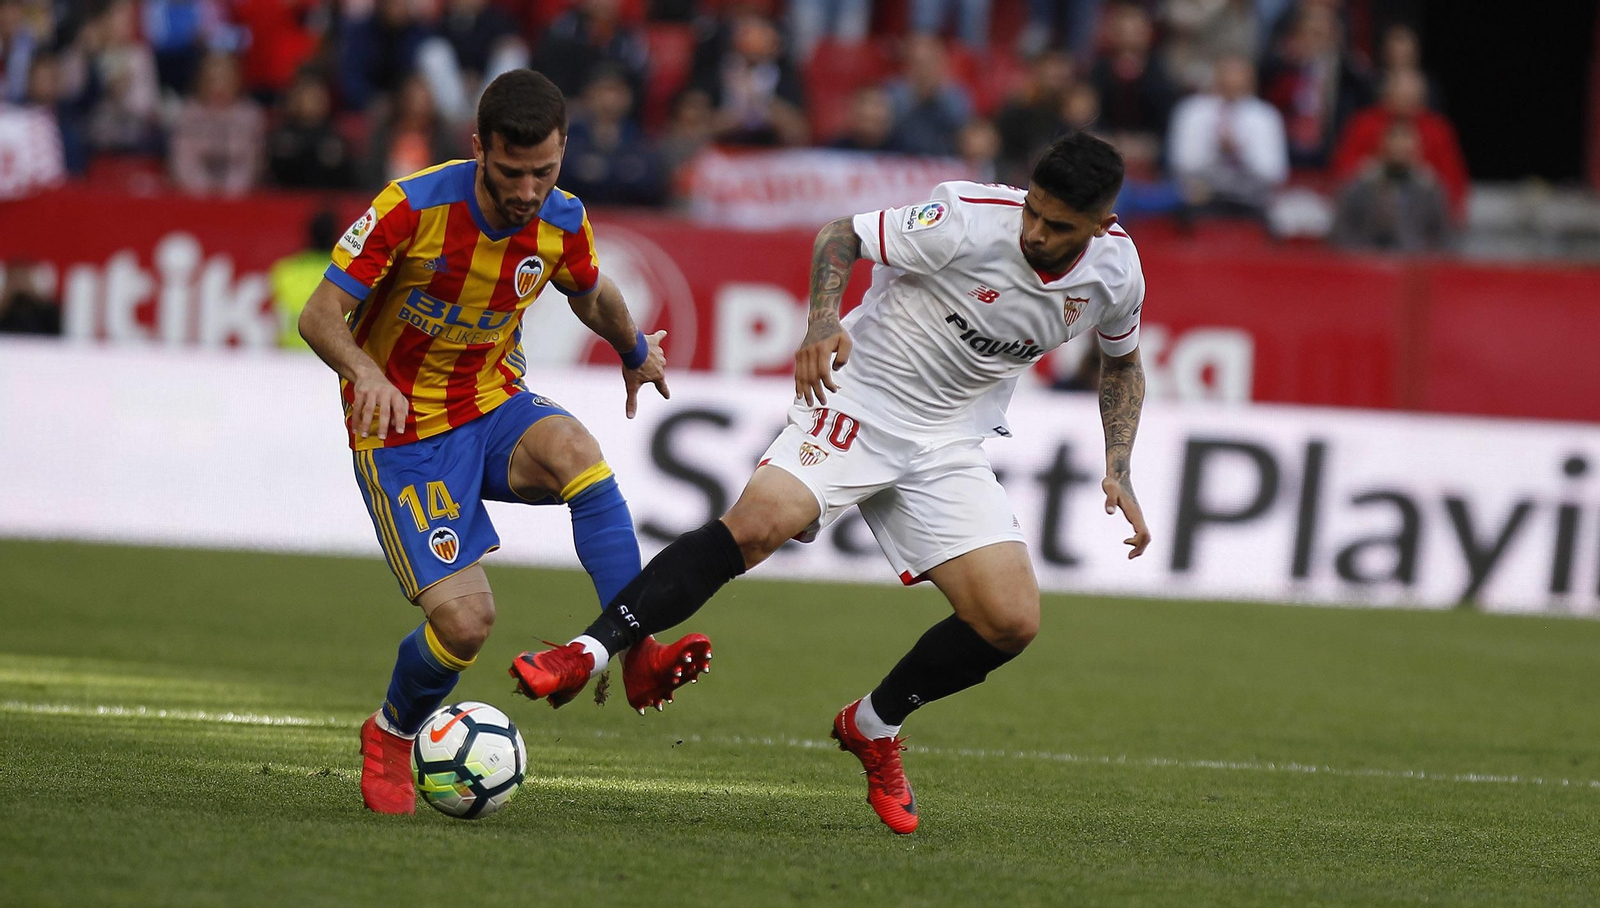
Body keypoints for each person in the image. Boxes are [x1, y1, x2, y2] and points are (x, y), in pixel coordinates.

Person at [508, 132, 1153, 835]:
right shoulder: (967, 219)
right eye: (1032, 209)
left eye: (1057, 225)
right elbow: (841, 235)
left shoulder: (1117, 274)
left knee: (1010, 621)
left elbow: (1121, 363)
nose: (1034, 230)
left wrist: (1118, 463)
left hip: (946, 442)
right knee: (756, 527)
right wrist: (821, 322)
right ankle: (584, 653)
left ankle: (873, 726)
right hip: (856, 397)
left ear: (1102, 223)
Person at [296, 69, 709, 816]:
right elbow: (319, 314)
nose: (527, 191)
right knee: (465, 624)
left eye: (544, 172)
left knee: (580, 453)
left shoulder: (560, 217)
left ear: (563, 153)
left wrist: (634, 348)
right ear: (479, 147)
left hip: (491, 404)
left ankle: (637, 647)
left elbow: (589, 292)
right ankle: (391, 731)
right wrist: (366, 373)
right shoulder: (409, 208)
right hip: (402, 433)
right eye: (512, 173)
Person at [1167, 54, 1287, 216]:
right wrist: (1215, 150)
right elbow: (1181, 163)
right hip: (1200, 198)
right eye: (1227, 75)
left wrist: (1239, 152)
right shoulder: (1192, 111)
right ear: (1216, 77)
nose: (1232, 82)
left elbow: (1274, 172)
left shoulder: (1265, 116)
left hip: (1251, 201)